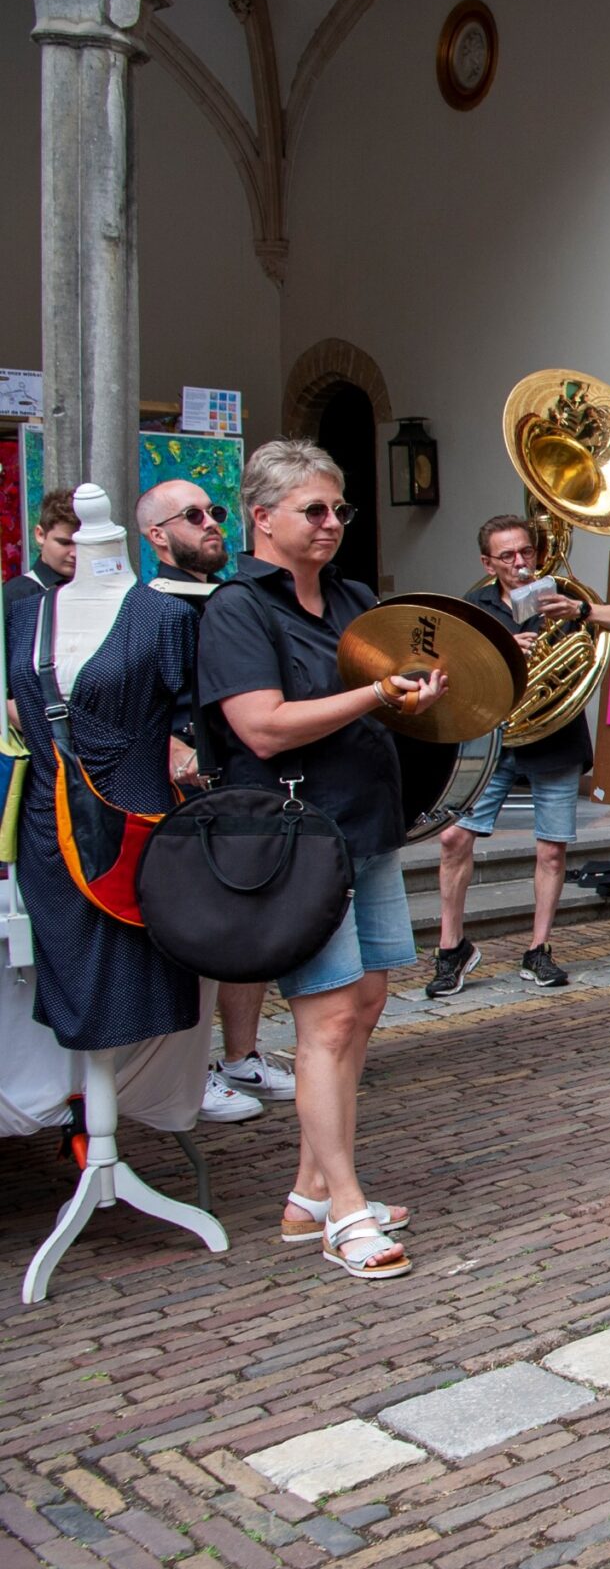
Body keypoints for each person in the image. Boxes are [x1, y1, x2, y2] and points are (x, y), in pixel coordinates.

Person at [197, 440, 441, 1280]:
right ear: (262, 518)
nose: (332, 522)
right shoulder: (238, 608)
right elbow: (261, 725)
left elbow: (378, 702)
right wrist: (378, 693)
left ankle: (308, 1194)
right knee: (324, 1020)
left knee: (365, 1003)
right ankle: (345, 1208)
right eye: (314, 509)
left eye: (340, 509)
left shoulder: (354, 598)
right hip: (298, 837)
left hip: (365, 825)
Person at [426, 515, 610, 996]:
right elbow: (446, 676)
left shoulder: (562, 595)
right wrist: (498, 654)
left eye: (526, 553)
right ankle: (452, 948)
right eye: (508, 556)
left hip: (553, 738)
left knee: (551, 849)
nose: (520, 564)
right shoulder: (471, 609)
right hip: (492, 739)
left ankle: (539, 949)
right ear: (487, 562)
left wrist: (579, 611)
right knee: (453, 838)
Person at [135, 477, 283, 1123]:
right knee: (200, 932)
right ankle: (186, 1073)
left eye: (215, 511)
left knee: (249, 926)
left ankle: (242, 1055)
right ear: (157, 535)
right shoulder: (144, 608)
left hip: (244, 782)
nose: (210, 522)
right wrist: (170, 745)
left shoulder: (239, 599)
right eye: (192, 515)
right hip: (181, 794)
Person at [5, 487, 78, 613]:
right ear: (40, 535)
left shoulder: (104, 589)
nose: (75, 554)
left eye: (83, 544)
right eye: (65, 543)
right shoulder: (14, 596)